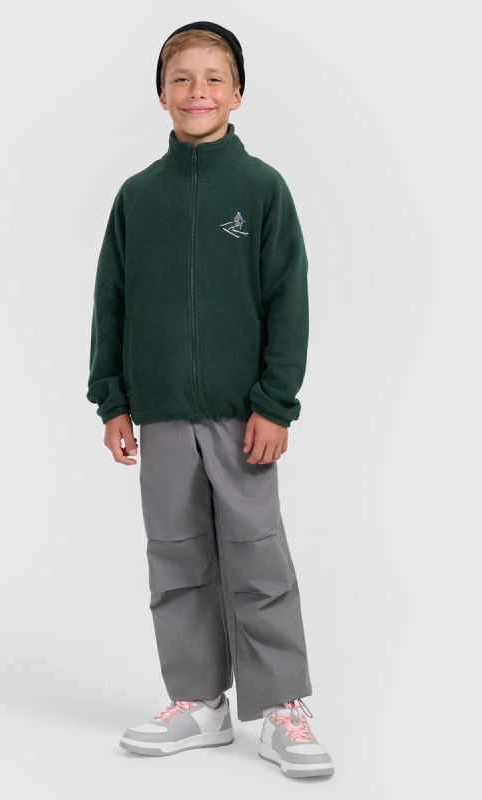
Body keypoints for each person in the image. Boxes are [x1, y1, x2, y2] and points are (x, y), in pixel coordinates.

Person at [86, 21, 334, 779]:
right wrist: (112, 400)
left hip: (243, 416)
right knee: (176, 557)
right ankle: (198, 702)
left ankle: (282, 705)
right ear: (162, 94)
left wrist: (276, 403)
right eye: (182, 78)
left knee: (258, 556)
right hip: (160, 415)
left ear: (238, 92)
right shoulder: (137, 197)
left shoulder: (261, 189)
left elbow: (288, 300)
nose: (198, 91)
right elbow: (111, 302)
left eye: (214, 77)